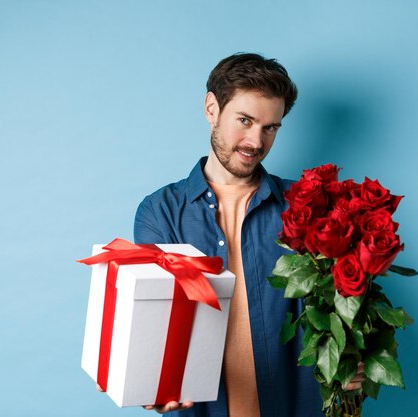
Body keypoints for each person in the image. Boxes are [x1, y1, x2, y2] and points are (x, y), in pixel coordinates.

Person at [133, 53, 363, 417]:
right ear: (212, 108)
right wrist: (152, 382)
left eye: (270, 127)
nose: (255, 141)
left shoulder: (305, 205)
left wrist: (351, 358)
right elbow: (152, 324)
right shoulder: (160, 212)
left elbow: (337, 309)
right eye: (245, 120)